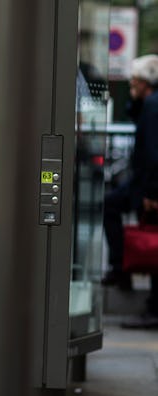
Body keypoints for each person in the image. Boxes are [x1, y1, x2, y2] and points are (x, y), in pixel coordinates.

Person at [102, 54, 158, 328]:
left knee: (154, 241)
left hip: (149, 186)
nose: (131, 84)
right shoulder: (147, 103)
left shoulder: (153, 105)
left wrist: (152, 193)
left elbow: (154, 152)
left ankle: (153, 307)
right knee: (111, 205)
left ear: (143, 81)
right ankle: (119, 267)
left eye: (134, 81)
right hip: (144, 183)